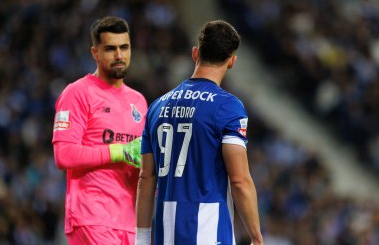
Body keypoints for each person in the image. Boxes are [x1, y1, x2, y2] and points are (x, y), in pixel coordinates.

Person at [135, 20, 264, 245]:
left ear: (195, 53)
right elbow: (240, 181)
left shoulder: (156, 107)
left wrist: (143, 237)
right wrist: (256, 237)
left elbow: (146, 177)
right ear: (232, 61)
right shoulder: (228, 107)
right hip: (208, 232)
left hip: (166, 234)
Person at [52, 16, 147, 245]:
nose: (119, 56)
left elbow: (138, 160)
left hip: (129, 222)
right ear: (95, 53)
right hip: (91, 216)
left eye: (124, 47)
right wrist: (117, 151)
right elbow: (63, 154)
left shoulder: (139, 101)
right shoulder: (77, 93)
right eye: (110, 49)